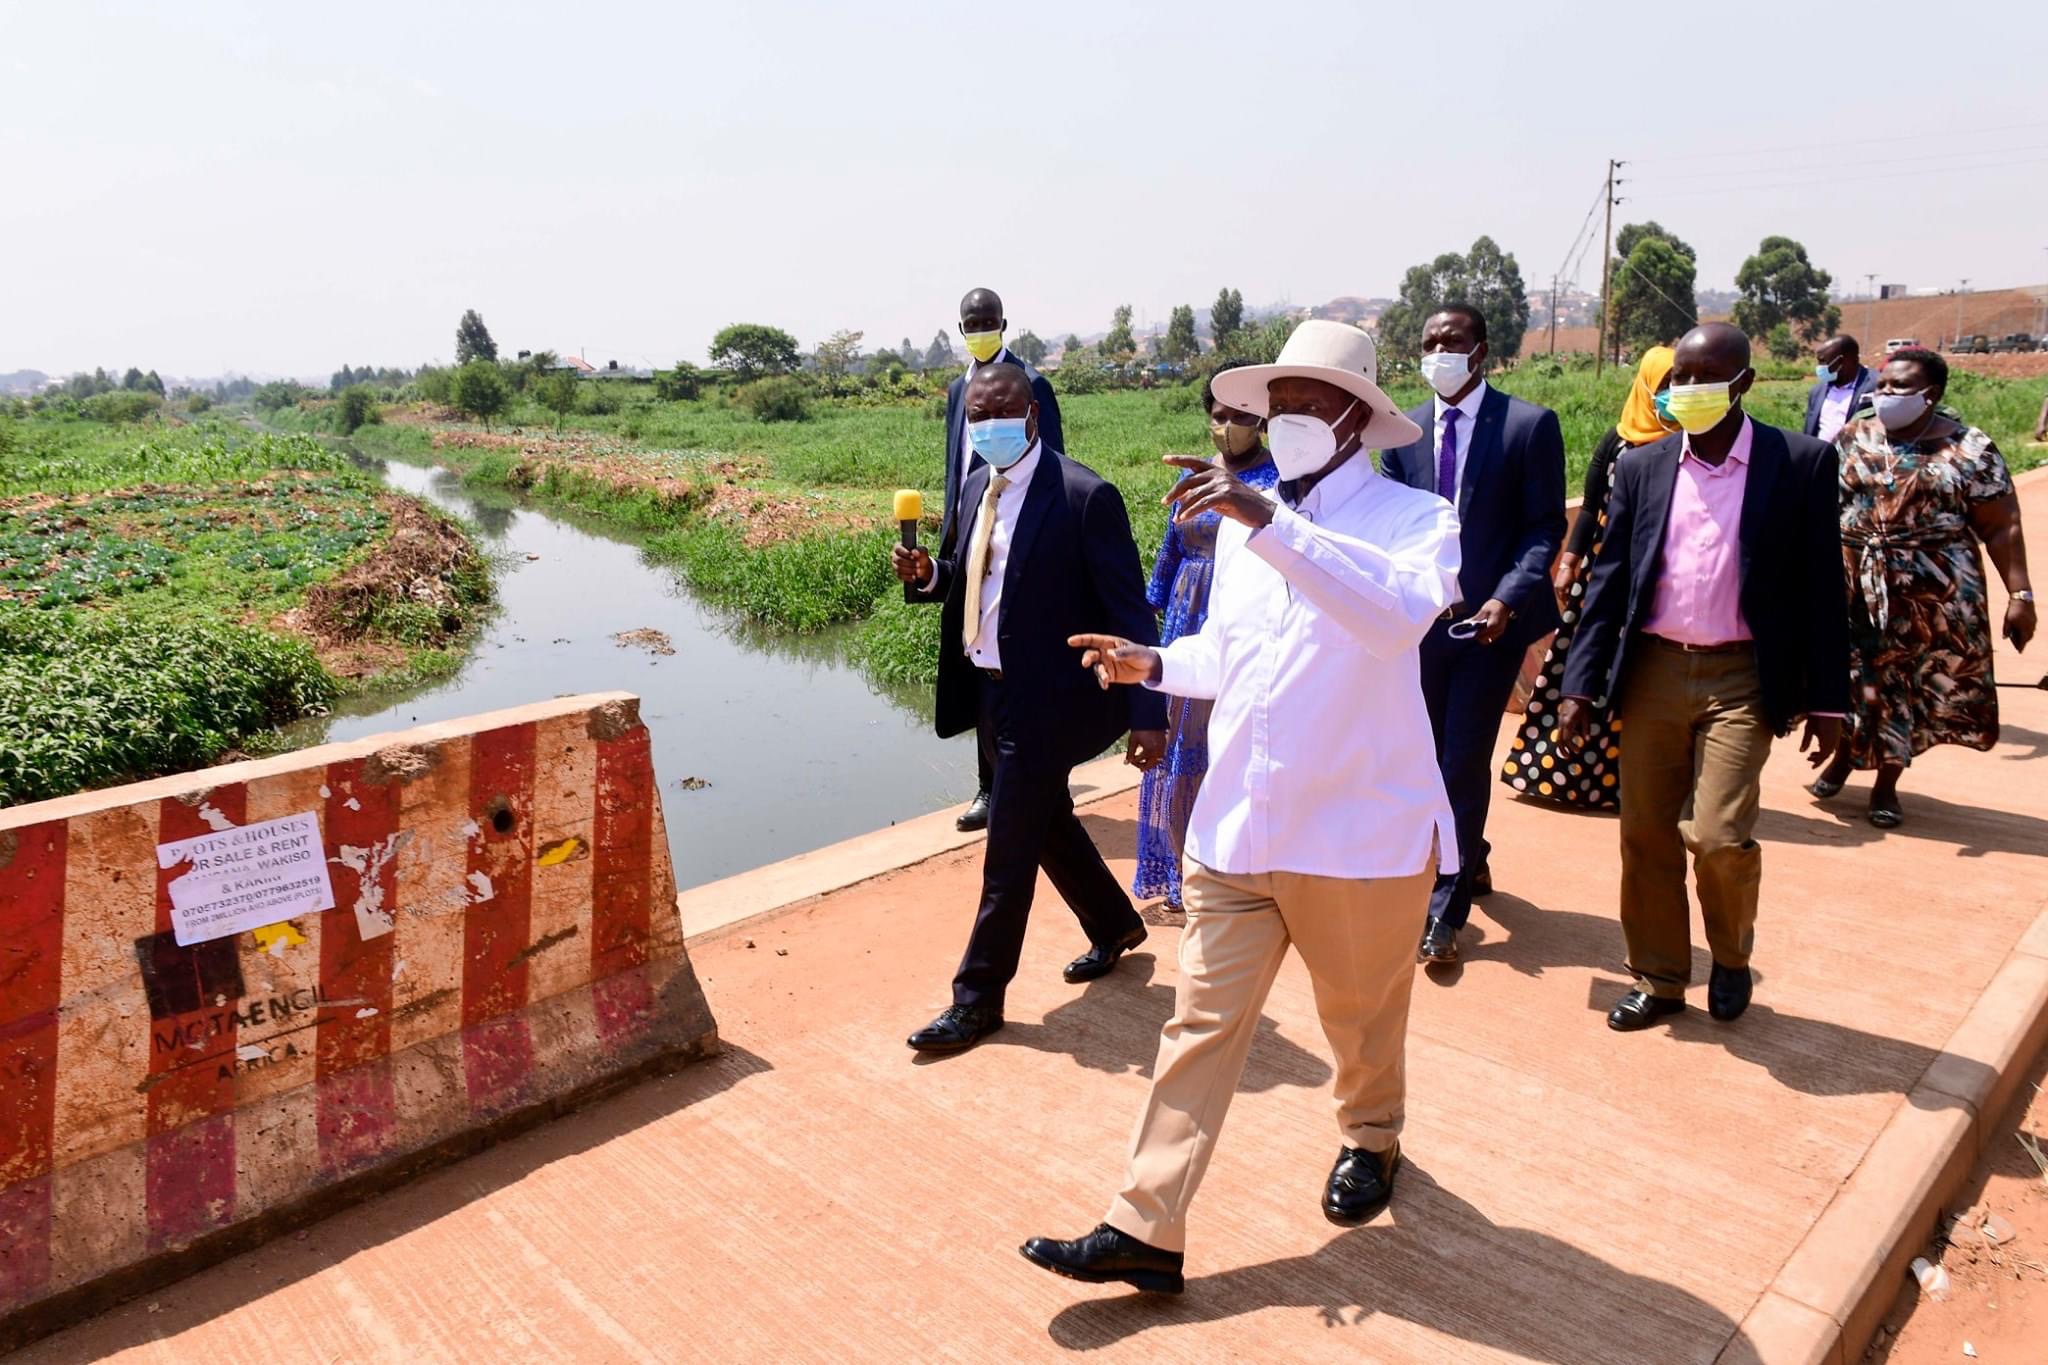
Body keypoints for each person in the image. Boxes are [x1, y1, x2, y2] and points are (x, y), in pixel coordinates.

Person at [1019, 321, 1456, 1294]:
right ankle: (1144, 1224)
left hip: (1356, 835)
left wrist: (1272, 524)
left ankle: (1370, 1137)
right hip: (1237, 829)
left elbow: (1387, 623)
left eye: (1310, 402)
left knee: (1358, 1022)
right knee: (1197, 1026)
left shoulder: (1415, 522)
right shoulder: (1247, 527)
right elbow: (1229, 650)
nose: (1289, 417)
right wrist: (1156, 663)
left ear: (1356, 417)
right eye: (1281, 401)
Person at [1558, 322, 1846, 1033]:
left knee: (1717, 834)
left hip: (1743, 676)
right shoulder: (1646, 467)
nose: (1683, 390)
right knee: (1645, 834)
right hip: (1654, 667)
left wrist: (1831, 700)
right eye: (1676, 378)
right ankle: (1659, 976)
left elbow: (1821, 589)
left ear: (1743, 383)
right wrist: (1577, 684)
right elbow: (1610, 582)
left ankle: (1730, 954)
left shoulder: (1799, 463)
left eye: (1701, 378)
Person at [891, 363, 1165, 1054]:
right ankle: (1113, 923)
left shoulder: (1083, 495)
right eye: (977, 416)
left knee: (1007, 850)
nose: (987, 426)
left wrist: (1148, 713)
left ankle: (976, 999)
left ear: (1032, 416)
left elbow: (1131, 611)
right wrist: (931, 576)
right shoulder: (979, 486)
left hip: (1049, 700)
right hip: (991, 691)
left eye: (1001, 411)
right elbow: (974, 578)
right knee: (1046, 823)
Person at [1378, 305, 1566, 966]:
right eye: (1429, 343)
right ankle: (1472, 853)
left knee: (1460, 760)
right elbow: (1394, 526)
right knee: (1421, 760)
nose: (1439, 353)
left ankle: (1443, 909)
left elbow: (1545, 527)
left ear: (1480, 351)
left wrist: (1507, 600)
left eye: (1451, 342)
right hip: (1422, 627)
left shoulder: (1528, 425)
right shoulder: (1401, 433)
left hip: (1490, 628)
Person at [1808, 347, 2035, 826]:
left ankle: (1887, 781)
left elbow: (2002, 527)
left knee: (1903, 685)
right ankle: (1846, 754)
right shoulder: (1854, 436)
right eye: (1883, 384)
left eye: (1898, 387)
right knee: (1852, 678)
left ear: (1929, 395)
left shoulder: (1969, 449)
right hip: (1854, 586)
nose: (1884, 393)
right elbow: (1820, 508)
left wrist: (2020, 596)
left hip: (1932, 595)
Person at [1131, 360, 1280, 915]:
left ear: (1260, 421)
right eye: (1218, 416)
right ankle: (1181, 873)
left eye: (1240, 416)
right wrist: (1146, 624)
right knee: (1177, 752)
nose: (1227, 426)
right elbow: (1168, 557)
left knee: (1227, 749)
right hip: (1185, 620)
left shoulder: (1272, 482)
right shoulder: (1192, 475)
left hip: (1239, 620)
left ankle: (1232, 872)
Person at [916, 287, 1066, 834]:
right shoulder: (958, 389)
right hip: (971, 526)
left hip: (1016, 531)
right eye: (970, 322)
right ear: (961, 329)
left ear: (1004, 323)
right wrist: (949, 530)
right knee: (977, 655)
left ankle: (1046, 777)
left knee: (1025, 653)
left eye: (987, 320)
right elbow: (958, 464)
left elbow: (1054, 465)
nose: (979, 328)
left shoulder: (1032, 385)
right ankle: (988, 784)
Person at [1503, 345, 1677, 811]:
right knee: (1581, 673)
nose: (1672, 396)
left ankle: (1635, 783)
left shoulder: (1693, 445)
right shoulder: (1617, 441)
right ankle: (1562, 775)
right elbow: (1592, 509)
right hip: (1605, 576)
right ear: (1645, 387)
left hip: (1662, 579)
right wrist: (1568, 562)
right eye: (1664, 387)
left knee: (1640, 680)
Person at [1804, 335, 1878, 443]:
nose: (1819, 367)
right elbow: (1809, 431)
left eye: (1823, 361)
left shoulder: (1876, 386)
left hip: (1856, 458)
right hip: (1822, 457)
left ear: (1843, 361)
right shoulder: (1817, 391)